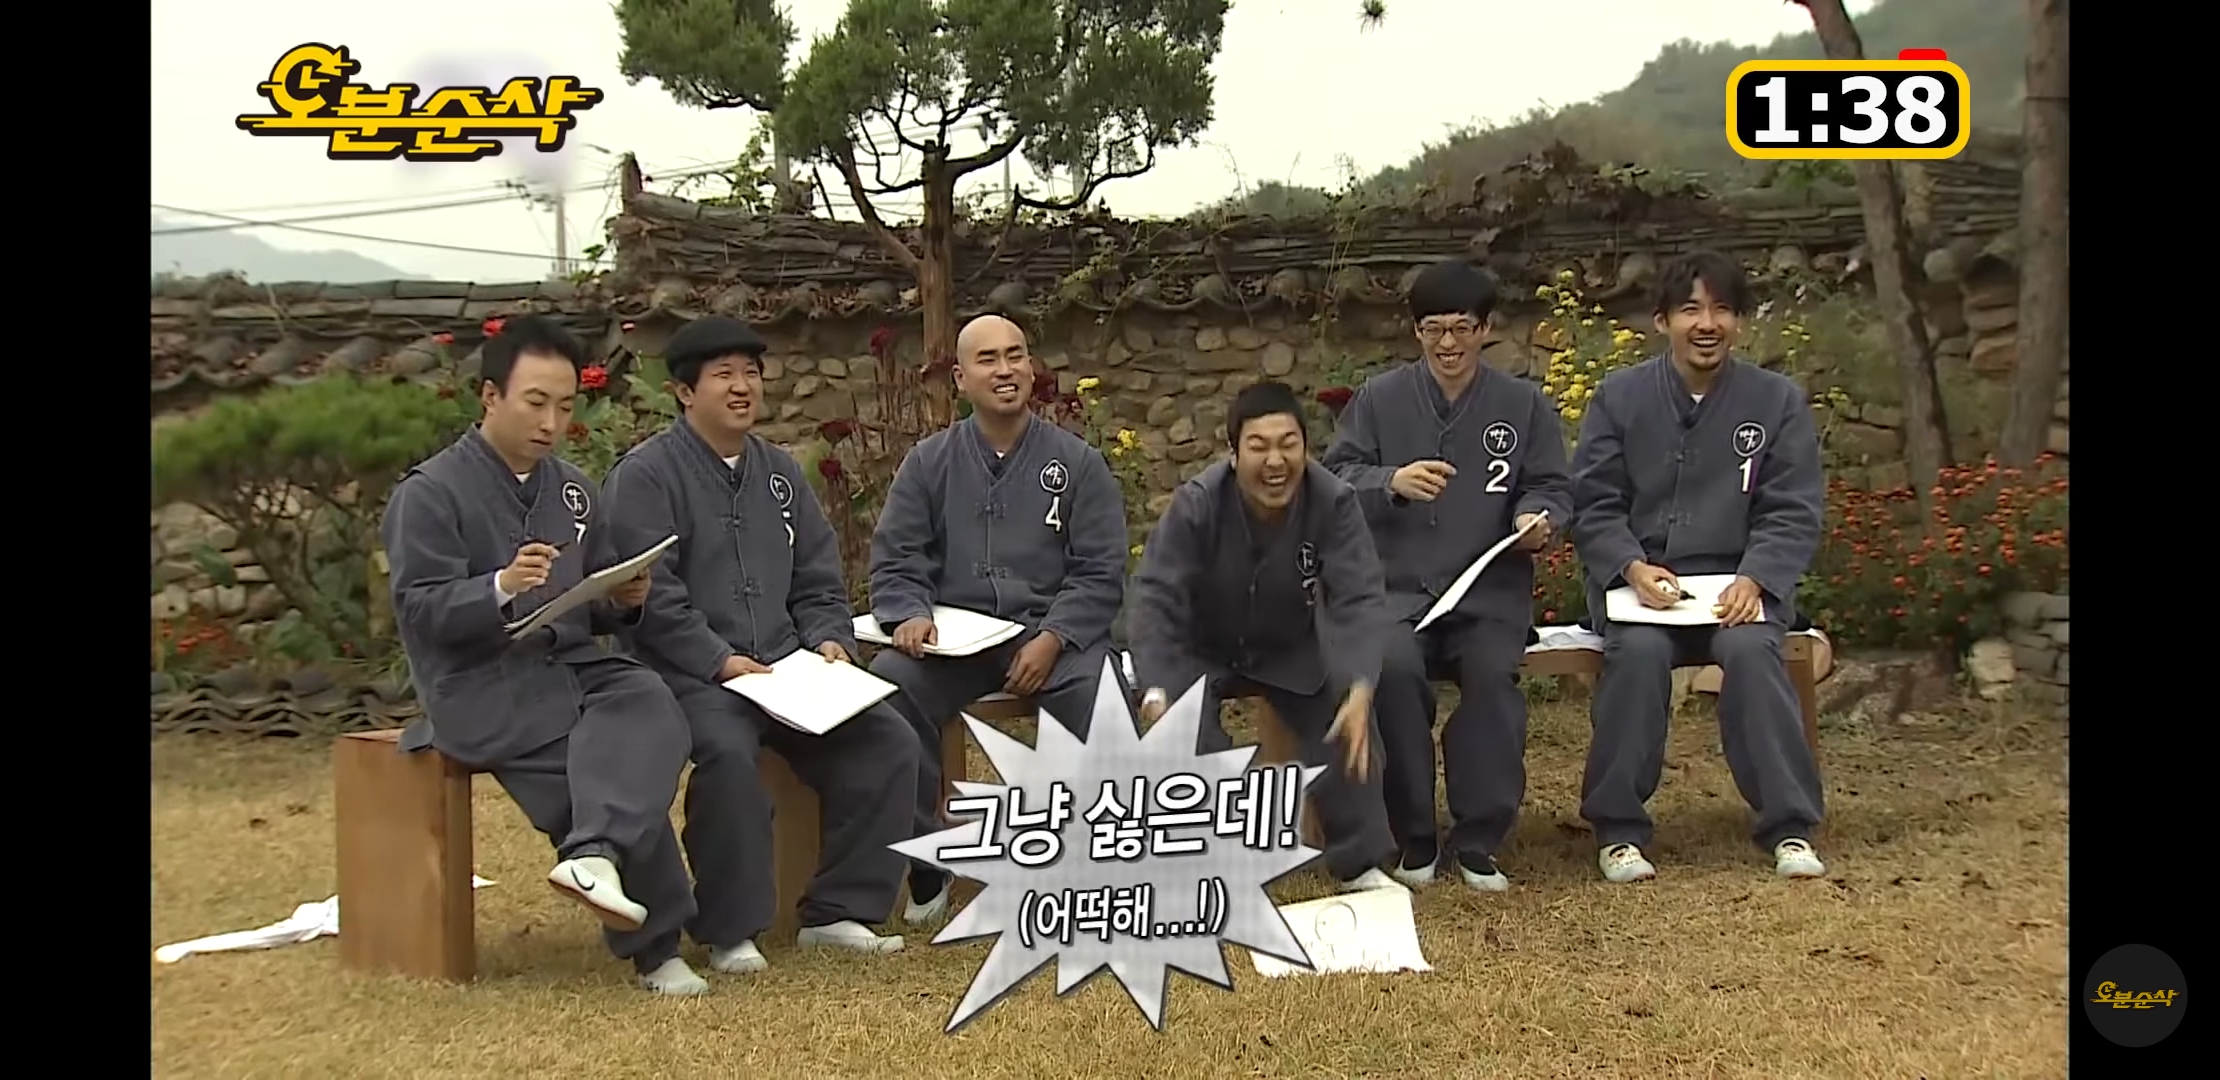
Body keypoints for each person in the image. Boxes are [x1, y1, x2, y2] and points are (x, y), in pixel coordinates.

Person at [380, 315, 706, 995]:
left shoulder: (572, 488)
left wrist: (624, 597)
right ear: (490, 396)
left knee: (648, 697)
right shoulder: (429, 493)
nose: (551, 423)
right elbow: (421, 609)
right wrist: (499, 586)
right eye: (535, 403)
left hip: (570, 660)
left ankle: (594, 855)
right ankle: (655, 945)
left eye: (564, 405)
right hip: (480, 678)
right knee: (600, 768)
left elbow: (593, 597)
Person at [603, 315, 919, 971]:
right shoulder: (646, 476)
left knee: (887, 740)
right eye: (723, 375)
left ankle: (840, 909)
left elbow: (818, 577)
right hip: (693, 677)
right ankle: (730, 928)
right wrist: (718, 660)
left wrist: (829, 640)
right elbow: (653, 595)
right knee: (727, 757)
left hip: (788, 670)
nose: (742, 387)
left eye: (750, 373)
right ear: (684, 392)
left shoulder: (778, 472)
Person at [1568, 250, 1828, 884]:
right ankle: (1618, 831)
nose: (1706, 324)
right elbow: (1594, 502)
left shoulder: (1776, 401)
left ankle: (1789, 826)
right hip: (1642, 587)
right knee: (1637, 657)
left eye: (1721, 310)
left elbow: (1792, 506)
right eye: (1690, 310)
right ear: (1663, 321)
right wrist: (1629, 566)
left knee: (1752, 653)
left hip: (1739, 586)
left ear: (1739, 322)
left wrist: (1757, 577)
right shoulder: (1619, 398)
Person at [867, 314, 1129, 925]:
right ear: (961, 378)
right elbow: (897, 558)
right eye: (987, 359)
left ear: (1032, 368)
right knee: (889, 690)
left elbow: (1100, 570)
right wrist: (909, 614)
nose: (1005, 369)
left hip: (1052, 636)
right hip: (955, 642)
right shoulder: (928, 463)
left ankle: (1090, 863)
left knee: (1102, 696)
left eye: (1016, 355)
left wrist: (1054, 638)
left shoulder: (1078, 463)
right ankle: (929, 859)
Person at [1321, 259, 1573, 893]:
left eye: (1462, 328)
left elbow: (1551, 485)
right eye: (1433, 329)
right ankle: (1414, 833)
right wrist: (1390, 481)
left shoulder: (1523, 405)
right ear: (1416, 333)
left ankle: (1479, 836)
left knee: (1491, 679)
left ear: (1486, 329)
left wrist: (1536, 516)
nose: (1448, 343)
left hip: (1487, 595)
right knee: (1394, 670)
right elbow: (1334, 479)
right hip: (1396, 594)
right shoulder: (1378, 399)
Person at [1128, 381, 1402, 894]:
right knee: (1185, 732)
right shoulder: (1198, 503)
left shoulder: (1333, 501)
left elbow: (1360, 597)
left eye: (1288, 444)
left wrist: (1361, 683)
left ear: (1305, 448)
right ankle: (1213, 862)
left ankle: (1358, 861)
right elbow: (1156, 596)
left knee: (1346, 717)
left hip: (1288, 645)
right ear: (1234, 454)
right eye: (1259, 446)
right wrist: (1158, 687)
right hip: (1201, 648)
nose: (1275, 461)